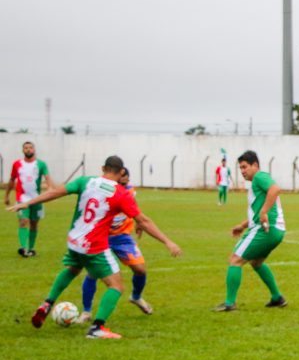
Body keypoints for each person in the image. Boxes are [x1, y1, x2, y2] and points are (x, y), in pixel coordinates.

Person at [7, 155, 181, 339]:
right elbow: (143, 221)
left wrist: (27, 202)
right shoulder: (121, 193)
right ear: (122, 172)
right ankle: (97, 328)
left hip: (74, 240)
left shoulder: (86, 181)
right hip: (94, 245)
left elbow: (55, 192)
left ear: (102, 168)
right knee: (116, 286)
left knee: (72, 269)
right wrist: (167, 241)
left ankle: (47, 303)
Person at [77, 168, 169, 323]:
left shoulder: (129, 192)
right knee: (93, 273)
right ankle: (86, 311)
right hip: (102, 237)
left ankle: (136, 297)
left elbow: (134, 208)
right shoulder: (105, 190)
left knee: (140, 269)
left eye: (127, 179)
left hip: (123, 238)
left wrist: (139, 222)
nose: (125, 181)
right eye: (123, 179)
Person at [213, 150, 287, 311]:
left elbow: (275, 189)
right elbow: (259, 210)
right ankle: (277, 297)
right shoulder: (257, 182)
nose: (243, 171)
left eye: (245, 167)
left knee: (235, 260)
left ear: (255, 165)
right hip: (275, 230)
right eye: (240, 168)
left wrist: (264, 212)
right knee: (256, 262)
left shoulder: (260, 177)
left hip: (266, 229)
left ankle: (229, 303)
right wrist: (243, 225)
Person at [5, 141, 55, 257]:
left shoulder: (41, 164)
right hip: (22, 199)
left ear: (34, 150)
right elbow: (12, 180)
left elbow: (47, 178)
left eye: (30, 148)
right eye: (26, 148)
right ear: (23, 150)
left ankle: (31, 249)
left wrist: (50, 189)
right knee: (23, 221)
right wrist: (7, 195)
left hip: (37, 199)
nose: (28, 149)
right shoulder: (17, 164)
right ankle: (23, 248)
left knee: (33, 224)